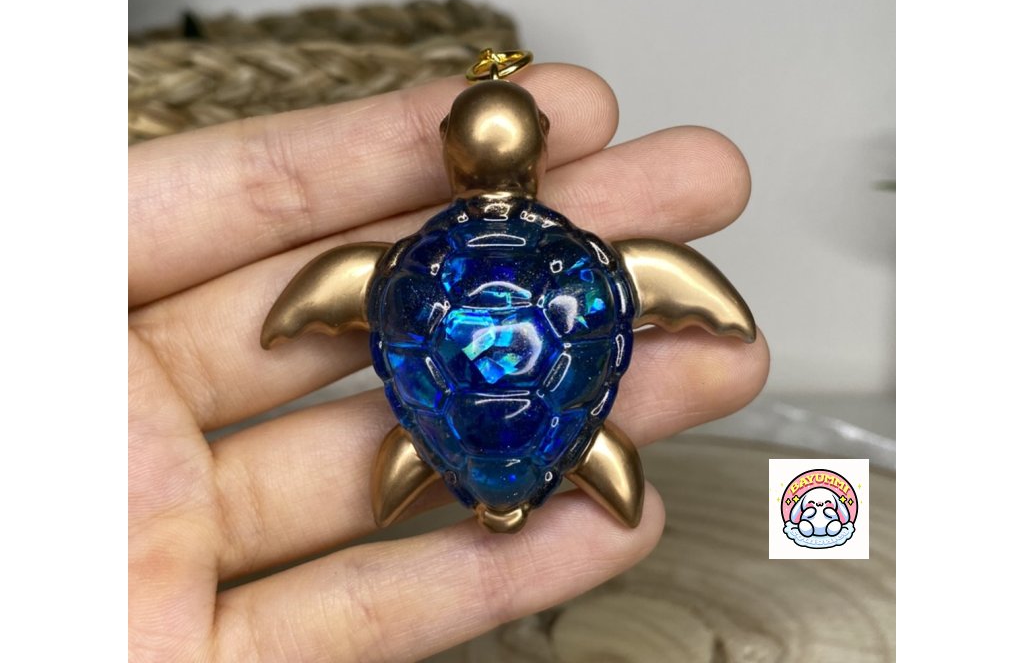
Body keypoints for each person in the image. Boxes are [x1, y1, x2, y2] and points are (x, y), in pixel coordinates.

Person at [128, 63, 770, 662]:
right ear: (540, 146)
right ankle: (588, 458)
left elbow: (355, 276)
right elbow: (643, 272)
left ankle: (433, 458)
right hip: (560, 430)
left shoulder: (398, 266)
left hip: (437, 435)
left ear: (449, 148)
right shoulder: (593, 264)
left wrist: (291, 317)